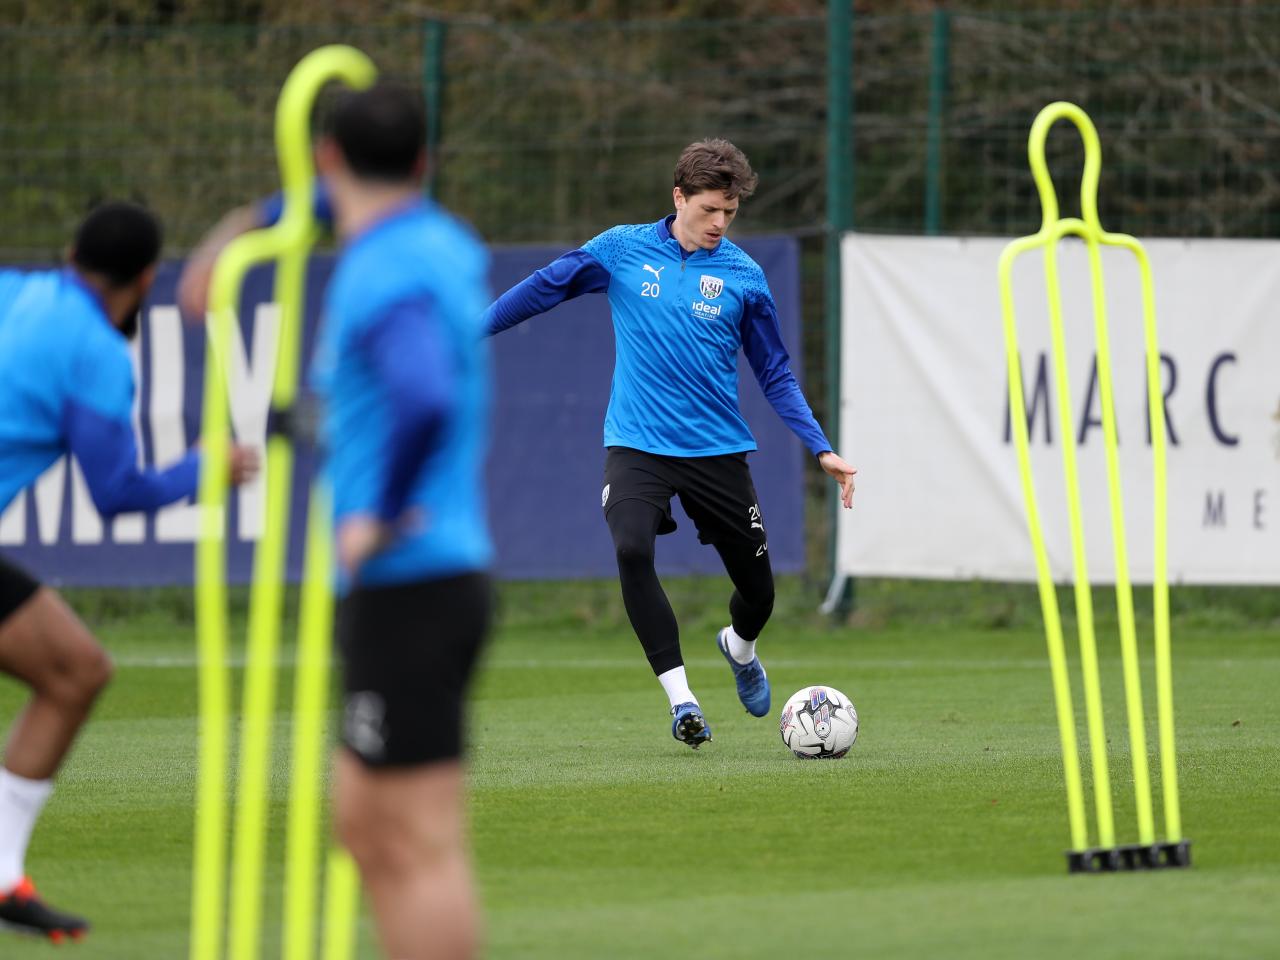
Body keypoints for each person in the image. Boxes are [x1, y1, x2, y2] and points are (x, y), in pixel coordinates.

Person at [181, 85, 492, 960]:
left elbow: (424, 395)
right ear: (423, 162)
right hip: (420, 585)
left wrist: (377, 516)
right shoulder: (435, 238)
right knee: (363, 820)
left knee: (417, 839)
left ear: (325, 156)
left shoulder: (382, 267)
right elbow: (337, 201)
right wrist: (241, 229)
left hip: (411, 579)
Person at [485, 139, 856, 748]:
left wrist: (820, 447)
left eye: (730, 212)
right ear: (678, 197)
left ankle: (739, 648)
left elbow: (775, 372)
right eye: (709, 209)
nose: (719, 223)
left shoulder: (744, 276)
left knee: (759, 594)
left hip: (716, 451)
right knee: (632, 548)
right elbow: (544, 287)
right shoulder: (621, 249)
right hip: (638, 444)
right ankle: (682, 701)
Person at [0, 203, 258, 941]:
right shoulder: (97, 354)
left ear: (69, 252)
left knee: (76, 670)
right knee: (76, 674)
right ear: (147, 279)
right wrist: (203, 468)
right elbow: (115, 491)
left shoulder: (15, 290)